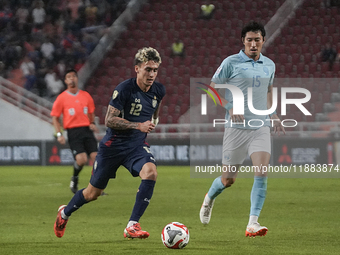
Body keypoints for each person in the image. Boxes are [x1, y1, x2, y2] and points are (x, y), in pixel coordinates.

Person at [53, 47, 165, 239]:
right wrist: (138, 125)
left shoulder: (159, 90)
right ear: (137, 68)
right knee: (92, 193)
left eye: (155, 70)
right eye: (148, 69)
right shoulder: (124, 89)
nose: (152, 74)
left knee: (151, 172)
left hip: (136, 147)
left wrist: (154, 121)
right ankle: (64, 213)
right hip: (112, 147)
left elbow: (155, 110)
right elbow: (109, 120)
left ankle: (132, 225)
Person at [199, 21, 285, 237]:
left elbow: (268, 90)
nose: (253, 44)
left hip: (260, 127)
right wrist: (228, 106)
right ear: (243, 42)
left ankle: (252, 224)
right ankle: (209, 197)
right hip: (236, 128)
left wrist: (273, 113)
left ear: (263, 41)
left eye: (257, 40)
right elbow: (211, 89)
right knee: (228, 180)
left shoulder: (270, 65)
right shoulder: (231, 62)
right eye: (249, 40)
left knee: (262, 171)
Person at [51, 69, 98, 194]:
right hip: (73, 132)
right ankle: (75, 178)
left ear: (77, 79)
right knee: (82, 159)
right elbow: (55, 117)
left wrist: (92, 123)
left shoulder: (85, 95)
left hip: (86, 130)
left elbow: (91, 112)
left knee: (97, 159)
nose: (72, 78)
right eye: (69, 77)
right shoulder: (62, 98)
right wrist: (59, 134)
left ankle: (96, 187)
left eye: (74, 76)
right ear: (66, 81)